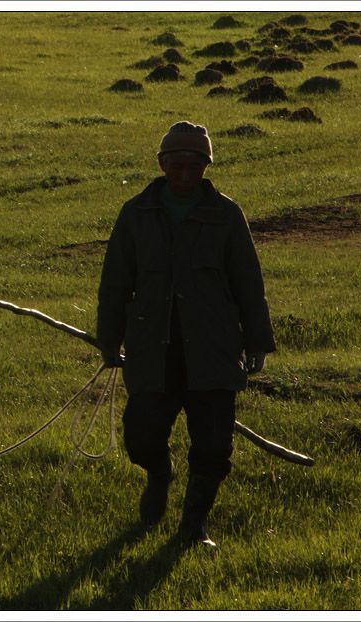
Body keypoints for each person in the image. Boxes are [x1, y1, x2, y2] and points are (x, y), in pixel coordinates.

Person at [96, 121, 276, 547]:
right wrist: (109, 340)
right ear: (161, 165)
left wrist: (257, 341)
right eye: (176, 165)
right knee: (140, 437)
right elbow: (115, 282)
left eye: (194, 165)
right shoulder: (135, 214)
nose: (184, 174)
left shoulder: (226, 215)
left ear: (206, 167)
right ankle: (160, 475)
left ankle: (193, 527)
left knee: (213, 447)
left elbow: (248, 281)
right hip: (152, 348)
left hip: (213, 349)